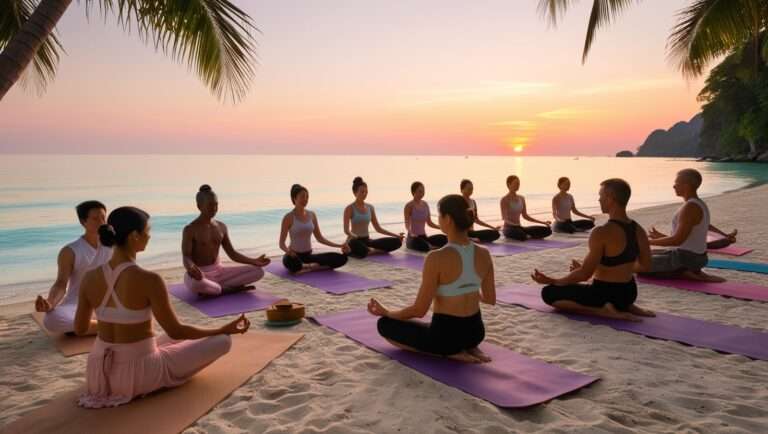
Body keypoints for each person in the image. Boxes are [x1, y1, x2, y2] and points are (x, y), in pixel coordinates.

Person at [75, 206, 249, 408]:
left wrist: (114, 321)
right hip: (138, 374)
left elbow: (80, 328)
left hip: (98, 373)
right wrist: (222, 329)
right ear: (134, 236)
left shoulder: (89, 277)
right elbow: (175, 330)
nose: (149, 236)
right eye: (147, 231)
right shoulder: (149, 279)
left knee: (175, 337)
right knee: (222, 341)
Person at [368, 194, 496, 363]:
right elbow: (490, 299)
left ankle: (450, 353)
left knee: (384, 325)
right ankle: (472, 348)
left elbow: (419, 311)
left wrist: (387, 312)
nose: (439, 220)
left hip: (445, 337)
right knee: (446, 331)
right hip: (475, 333)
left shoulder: (436, 257)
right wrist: (468, 288)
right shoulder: (484, 253)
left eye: (439, 216)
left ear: (448, 219)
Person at [532, 179, 655, 321]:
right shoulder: (639, 230)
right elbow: (645, 266)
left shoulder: (601, 232)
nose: (599, 199)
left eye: (601, 195)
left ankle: (603, 311)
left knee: (548, 293)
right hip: (629, 294)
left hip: (604, 294)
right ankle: (627, 306)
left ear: (610, 198)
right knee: (591, 287)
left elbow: (584, 274)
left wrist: (553, 280)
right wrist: (618, 270)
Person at [35, 201, 112, 334]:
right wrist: (50, 302)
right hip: (77, 303)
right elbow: (61, 283)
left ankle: (87, 327)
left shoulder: (113, 247)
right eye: (95, 218)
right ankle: (108, 327)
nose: (101, 222)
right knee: (52, 319)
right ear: (83, 222)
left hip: (109, 301)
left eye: (103, 218)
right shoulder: (70, 251)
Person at [182, 185, 270, 296]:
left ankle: (217, 289)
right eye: (210, 205)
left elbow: (232, 254)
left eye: (216, 204)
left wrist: (254, 261)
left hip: (220, 272)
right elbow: (186, 256)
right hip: (200, 275)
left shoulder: (221, 226)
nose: (214, 208)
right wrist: (191, 268)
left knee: (258, 271)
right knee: (196, 284)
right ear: (199, 206)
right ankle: (224, 289)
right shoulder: (190, 229)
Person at [644, 169, 724, 282]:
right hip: (693, 256)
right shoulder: (698, 203)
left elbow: (678, 240)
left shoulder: (690, 207)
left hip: (686, 258)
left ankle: (681, 272)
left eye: (676, 183)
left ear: (686, 186)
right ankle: (688, 270)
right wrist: (660, 236)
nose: (673, 186)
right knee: (642, 255)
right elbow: (691, 234)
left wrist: (647, 242)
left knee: (637, 265)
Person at [279, 184, 350, 273]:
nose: (305, 199)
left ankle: (308, 267)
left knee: (342, 258)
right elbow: (281, 244)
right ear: (294, 198)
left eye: (307, 197)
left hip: (308, 255)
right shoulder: (288, 217)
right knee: (290, 263)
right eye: (302, 197)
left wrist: (339, 245)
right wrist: (288, 251)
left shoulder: (312, 215)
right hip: (294, 256)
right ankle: (311, 267)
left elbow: (320, 238)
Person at [344, 177, 404, 258]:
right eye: (362, 192)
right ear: (355, 193)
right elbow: (346, 230)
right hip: (354, 241)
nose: (364, 194)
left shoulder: (370, 207)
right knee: (358, 246)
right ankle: (372, 250)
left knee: (397, 242)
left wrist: (396, 235)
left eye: (366, 192)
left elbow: (378, 228)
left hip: (367, 240)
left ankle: (370, 250)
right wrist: (353, 235)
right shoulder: (349, 208)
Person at [500, 175, 552, 241]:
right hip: (509, 228)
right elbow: (505, 218)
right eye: (515, 183)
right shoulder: (504, 200)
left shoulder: (521, 198)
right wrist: (515, 225)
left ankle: (527, 235)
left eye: (518, 183)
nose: (518, 185)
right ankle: (527, 235)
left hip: (520, 227)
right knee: (521, 235)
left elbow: (525, 216)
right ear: (508, 184)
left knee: (547, 230)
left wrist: (543, 222)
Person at [404, 181, 448, 252]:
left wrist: (441, 227)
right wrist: (411, 232)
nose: (422, 193)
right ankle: (430, 246)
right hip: (413, 238)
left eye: (423, 191)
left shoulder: (425, 204)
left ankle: (431, 246)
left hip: (424, 237)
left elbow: (429, 223)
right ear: (413, 192)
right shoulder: (409, 206)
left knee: (445, 239)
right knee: (425, 247)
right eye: (420, 191)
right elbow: (407, 224)